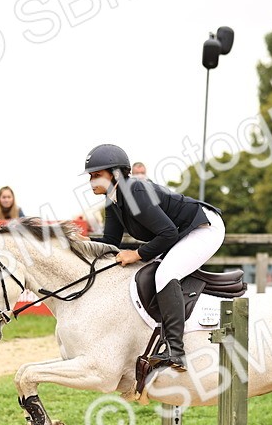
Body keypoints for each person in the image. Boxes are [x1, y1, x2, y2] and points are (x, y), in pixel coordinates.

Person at [86, 143, 224, 371]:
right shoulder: (113, 199)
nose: (92, 181)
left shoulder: (135, 192)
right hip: (180, 233)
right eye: (91, 176)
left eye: (97, 175)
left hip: (203, 227)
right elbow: (110, 241)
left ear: (116, 173)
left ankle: (176, 351)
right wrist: (77, 244)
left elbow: (167, 233)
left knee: (166, 273)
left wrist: (137, 253)